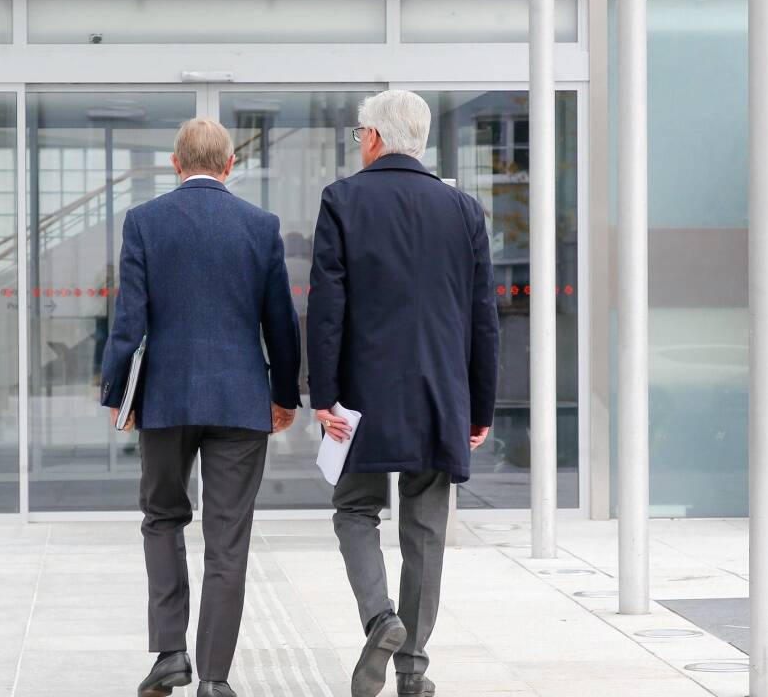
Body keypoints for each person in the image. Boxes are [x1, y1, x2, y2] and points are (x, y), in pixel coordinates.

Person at [307, 90, 501, 697]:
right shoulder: (463, 210)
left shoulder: (342, 200)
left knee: (355, 510)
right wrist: (481, 404)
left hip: (362, 396)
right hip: (442, 392)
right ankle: (412, 669)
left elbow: (327, 309)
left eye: (357, 134)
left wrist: (325, 394)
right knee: (426, 529)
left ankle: (379, 617)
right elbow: (482, 318)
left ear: (372, 137)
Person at [99, 118, 301, 697]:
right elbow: (280, 324)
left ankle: (169, 653)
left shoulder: (144, 222)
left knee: (162, 518)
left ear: (175, 162)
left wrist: (120, 395)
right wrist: (284, 396)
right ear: (230, 164)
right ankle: (214, 678)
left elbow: (128, 321)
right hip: (240, 400)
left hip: (166, 397)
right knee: (227, 537)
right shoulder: (260, 226)